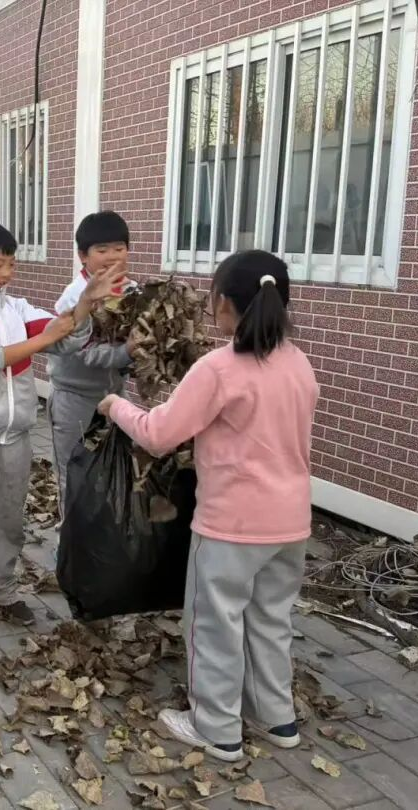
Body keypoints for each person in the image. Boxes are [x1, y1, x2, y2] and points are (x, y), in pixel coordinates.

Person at [98, 250, 318, 762]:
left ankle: (216, 728)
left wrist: (116, 406)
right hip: (290, 524)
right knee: (270, 621)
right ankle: (275, 717)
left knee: (215, 624)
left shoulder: (218, 369)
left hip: (231, 526)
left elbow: (159, 434)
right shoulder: (298, 363)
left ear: (222, 303)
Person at [0, 221, 121, 641]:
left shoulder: (18, 309)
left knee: (8, 524)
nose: (6, 272)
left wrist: (86, 305)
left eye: (11, 264)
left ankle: (0, 590)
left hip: (16, 438)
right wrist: (45, 339)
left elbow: (65, 336)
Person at [48, 211, 136, 521]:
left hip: (114, 395)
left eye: (119, 248)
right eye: (102, 250)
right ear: (83, 256)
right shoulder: (74, 298)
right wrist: (129, 351)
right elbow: (86, 353)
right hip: (75, 399)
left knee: (114, 469)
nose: (112, 256)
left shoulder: (132, 291)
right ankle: (71, 542)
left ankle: (104, 539)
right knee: (74, 473)